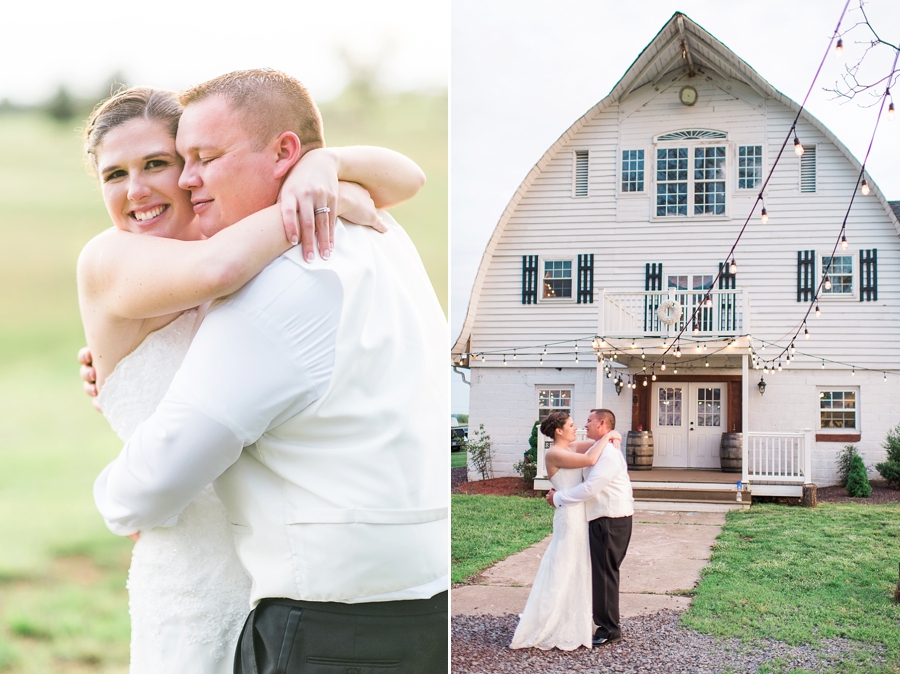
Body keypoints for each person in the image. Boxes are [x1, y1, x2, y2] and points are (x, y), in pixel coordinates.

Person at [91, 69, 448, 673]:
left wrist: (324, 169)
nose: (180, 179)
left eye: (187, 158)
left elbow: (154, 478)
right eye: (115, 173)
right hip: (258, 575)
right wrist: (324, 185)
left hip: (314, 611)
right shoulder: (377, 236)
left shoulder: (282, 279)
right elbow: (215, 269)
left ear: (282, 151)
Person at [510, 411, 620, 650]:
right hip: (570, 517)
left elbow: (595, 443)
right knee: (564, 564)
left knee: (578, 567)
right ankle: (552, 622)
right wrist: (608, 435)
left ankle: (573, 620)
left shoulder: (570, 448)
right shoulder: (555, 453)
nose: (576, 427)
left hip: (581, 515)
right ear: (558, 431)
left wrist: (613, 435)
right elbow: (592, 458)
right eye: (571, 425)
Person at [547, 408, 634, 647]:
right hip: (603, 518)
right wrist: (611, 435)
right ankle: (602, 624)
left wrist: (558, 497)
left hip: (611, 519)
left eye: (589, 421)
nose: (585, 425)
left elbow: (590, 488)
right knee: (602, 573)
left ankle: (609, 630)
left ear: (602, 423)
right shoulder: (601, 448)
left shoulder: (608, 454)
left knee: (605, 575)